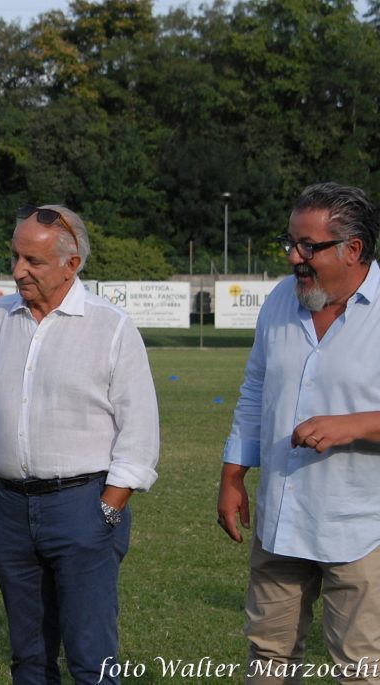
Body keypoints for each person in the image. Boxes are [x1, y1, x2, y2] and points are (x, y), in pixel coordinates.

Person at [0, 204, 159, 685]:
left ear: (71, 264)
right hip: (11, 509)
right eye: (15, 257)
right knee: (29, 660)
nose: (18, 271)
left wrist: (108, 509)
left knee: (91, 660)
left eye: (33, 261)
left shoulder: (110, 326)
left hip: (83, 505)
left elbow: (139, 429)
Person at [218, 182, 380, 684]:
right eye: (289, 242)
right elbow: (255, 390)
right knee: (269, 658)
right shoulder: (279, 301)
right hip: (281, 519)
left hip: (362, 528)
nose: (293, 257)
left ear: (353, 249)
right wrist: (232, 474)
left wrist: (354, 426)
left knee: (360, 668)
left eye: (308, 246)